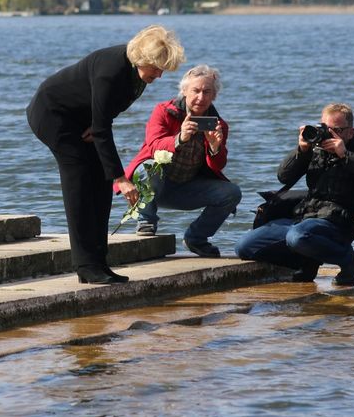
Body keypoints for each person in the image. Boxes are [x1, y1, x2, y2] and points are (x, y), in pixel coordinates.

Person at [26, 25, 186, 285]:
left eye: (162, 69)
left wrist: (96, 124)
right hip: (52, 115)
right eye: (156, 67)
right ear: (142, 59)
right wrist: (121, 178)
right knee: (78, 180)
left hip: (82, 120)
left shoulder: (136, 74)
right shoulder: (111, 71)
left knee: (101, 182)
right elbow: (102, 129)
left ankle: (99, 262)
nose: (159, 74)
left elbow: (107, 113)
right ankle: (85, 266)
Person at [235, 103, 354, 285]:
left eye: (337, 130)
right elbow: (283, 176)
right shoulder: (315, 146)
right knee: (245, 247)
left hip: (339, 223)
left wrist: (345, 154)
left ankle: (350, 260)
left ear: (350, 132)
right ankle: (307, 262)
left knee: (297, 237)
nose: (330, 135)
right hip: (305, 219)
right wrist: (301, 150)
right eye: (326, 129)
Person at [119, 65, 242, 258]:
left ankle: (196, 238)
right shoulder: (164, 112)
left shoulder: (218, 125)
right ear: (184, 91)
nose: (201, 97)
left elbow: (217, 167)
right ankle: (146, 221)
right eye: (196, 91)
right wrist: (180, 138)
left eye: (207, 92)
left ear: (214, 96)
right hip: (155, 184)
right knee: (146, 168)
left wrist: (214, 147)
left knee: (231, 193)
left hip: (186, 188)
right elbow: (153, 146)